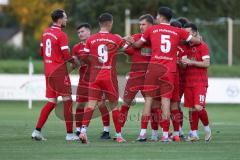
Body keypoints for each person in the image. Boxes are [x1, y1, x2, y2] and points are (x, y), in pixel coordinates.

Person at [126, 6, 201, 142]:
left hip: (154, 68)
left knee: (149, 101)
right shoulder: (177, 31)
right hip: (169, 70)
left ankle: (143, 133)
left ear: (160, 17)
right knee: (166, 101)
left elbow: (137, 45)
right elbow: (197, 41)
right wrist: (182, 41)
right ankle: (165, 135)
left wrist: (131, 42)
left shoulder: (152, 29)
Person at [31, 9, 79, 141]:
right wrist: (75, 62)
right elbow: (66, 55)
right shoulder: (61, 34)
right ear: (59, 19)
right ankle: (69, 134)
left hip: (48, 71)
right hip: (59, 72)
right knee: (67, 100)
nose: (66, 20)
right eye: (65, 18)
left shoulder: (46, 32)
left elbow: (42, 52)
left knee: (52, 101)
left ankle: (37, 131)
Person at [78, 13, 126, 143]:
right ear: (110, 23)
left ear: (100, 24)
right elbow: (127, 49)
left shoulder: (90, 39)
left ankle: (83, 131)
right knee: (114, 106)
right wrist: (125, 40)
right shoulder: (115, 39)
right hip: (108, 76)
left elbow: (83, 56)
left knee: (91, 105)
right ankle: (119, 135)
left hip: (94, 76)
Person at [72, 23, 111, 139]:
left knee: (101, 104)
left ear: (89, 32)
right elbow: (76, 66)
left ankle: (106, 131)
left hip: (97, 79)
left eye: (82, 31)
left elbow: (103, 60)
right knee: (79, 105)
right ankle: (78, 130)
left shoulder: (96, 43)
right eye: (78, 32)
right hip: (83, 81)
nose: (80, 34)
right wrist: (74, 62)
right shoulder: (76, 48)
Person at [182, 23, 212, 142]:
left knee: (198, 107)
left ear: (194, 33)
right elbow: (184, 66)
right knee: (191, 109)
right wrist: (182, 63)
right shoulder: (185, 47)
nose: (186, 35)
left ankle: (207, 130)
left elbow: (206, 64)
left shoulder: (202, 46)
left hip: (200, 82)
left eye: (188, 32)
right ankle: (194, 133)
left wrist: (191, 62)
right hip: (188, 82)